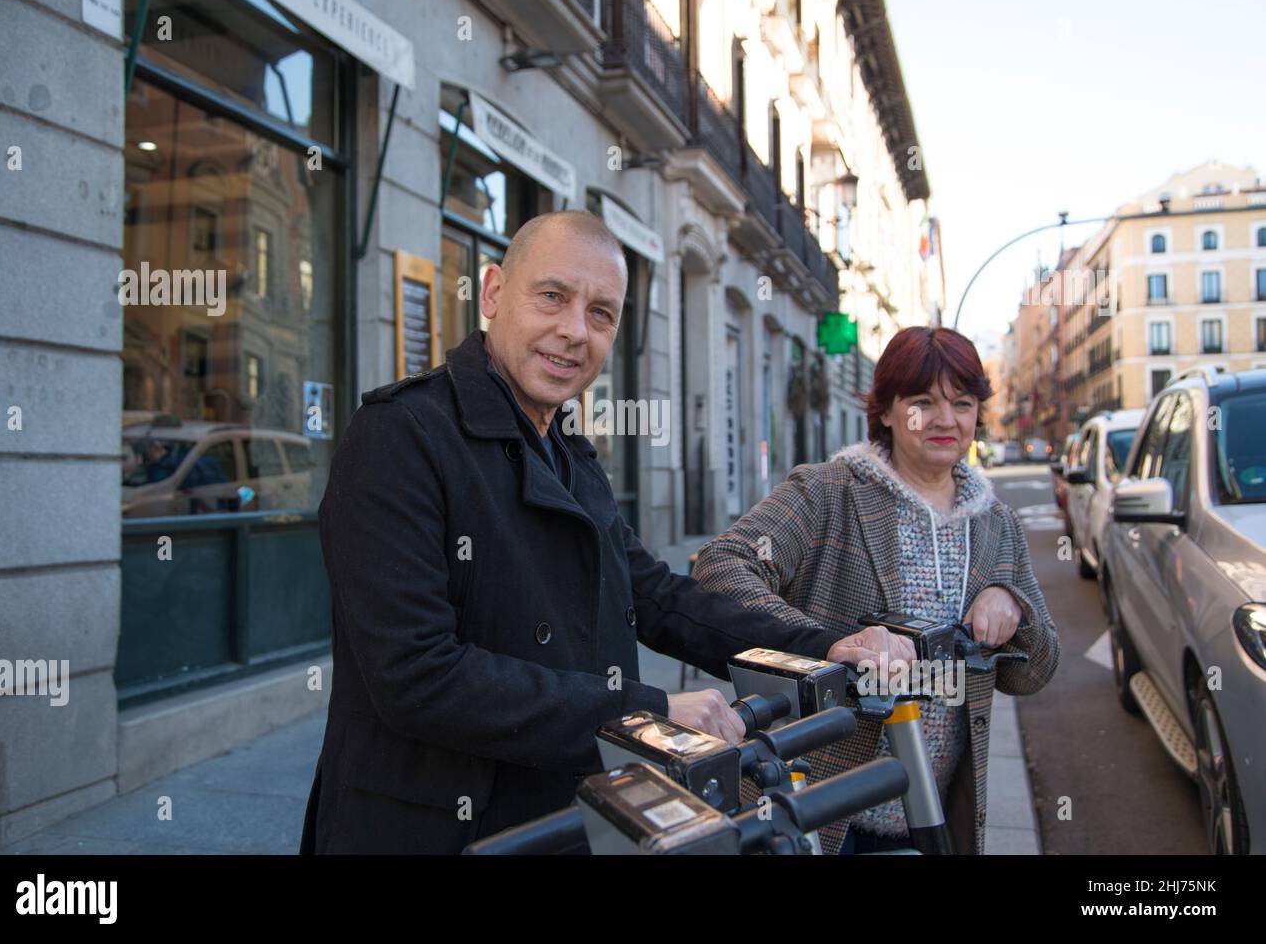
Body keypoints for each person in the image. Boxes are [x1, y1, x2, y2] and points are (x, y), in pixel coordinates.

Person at [299, 211, 907, 854]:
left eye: (601, 313)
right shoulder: (401, 436)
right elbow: (417, 676)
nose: (572, 332)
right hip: (431, 830)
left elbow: (658, 597)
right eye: (552, 297)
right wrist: (646, 712)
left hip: (562, 820)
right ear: (493, 294)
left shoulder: (569, 454)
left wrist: (825, 646)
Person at [692, 326, 1060, 854]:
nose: (944, 419)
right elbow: (722, 563)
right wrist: (823, 647)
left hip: (933, 818)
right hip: (817, 807)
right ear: (885, 411)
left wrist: (1013, 610)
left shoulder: (997, 525)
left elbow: (1035, 674)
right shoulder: (829, 492)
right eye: (922, 402)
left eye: (962, 402)